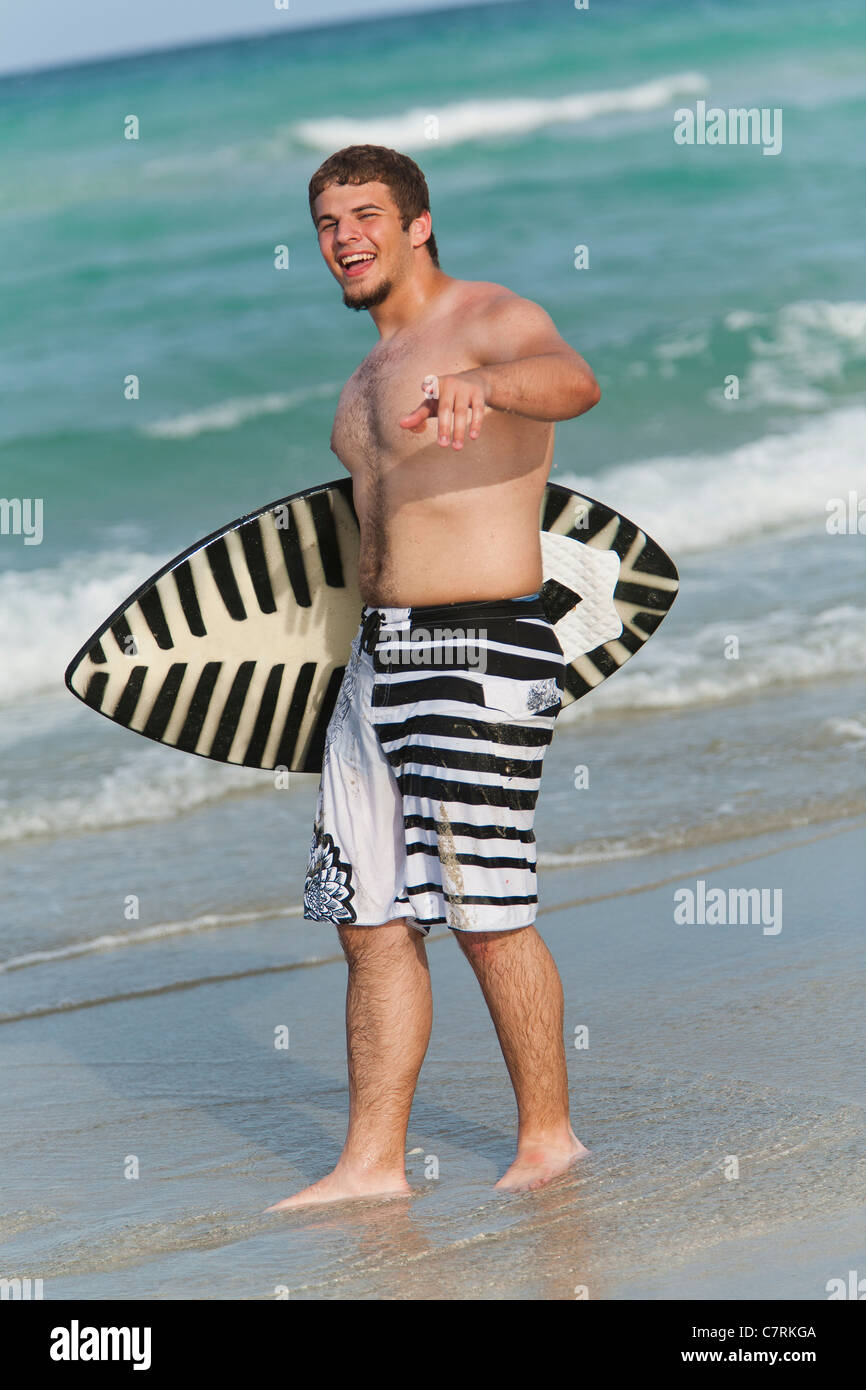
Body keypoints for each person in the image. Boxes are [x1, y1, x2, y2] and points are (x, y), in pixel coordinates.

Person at [265, 145, 600, 1211]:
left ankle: (547, 1138)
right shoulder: (362, 378)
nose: (343, 237)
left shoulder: (490, 317)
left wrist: (485, 386)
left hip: (480, 644)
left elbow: (574, 382)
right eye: (325, 223)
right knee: (366, 916)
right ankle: (371, 1164)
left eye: (364, 214)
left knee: (484, 907)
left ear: (417, 223)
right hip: (376, 661)